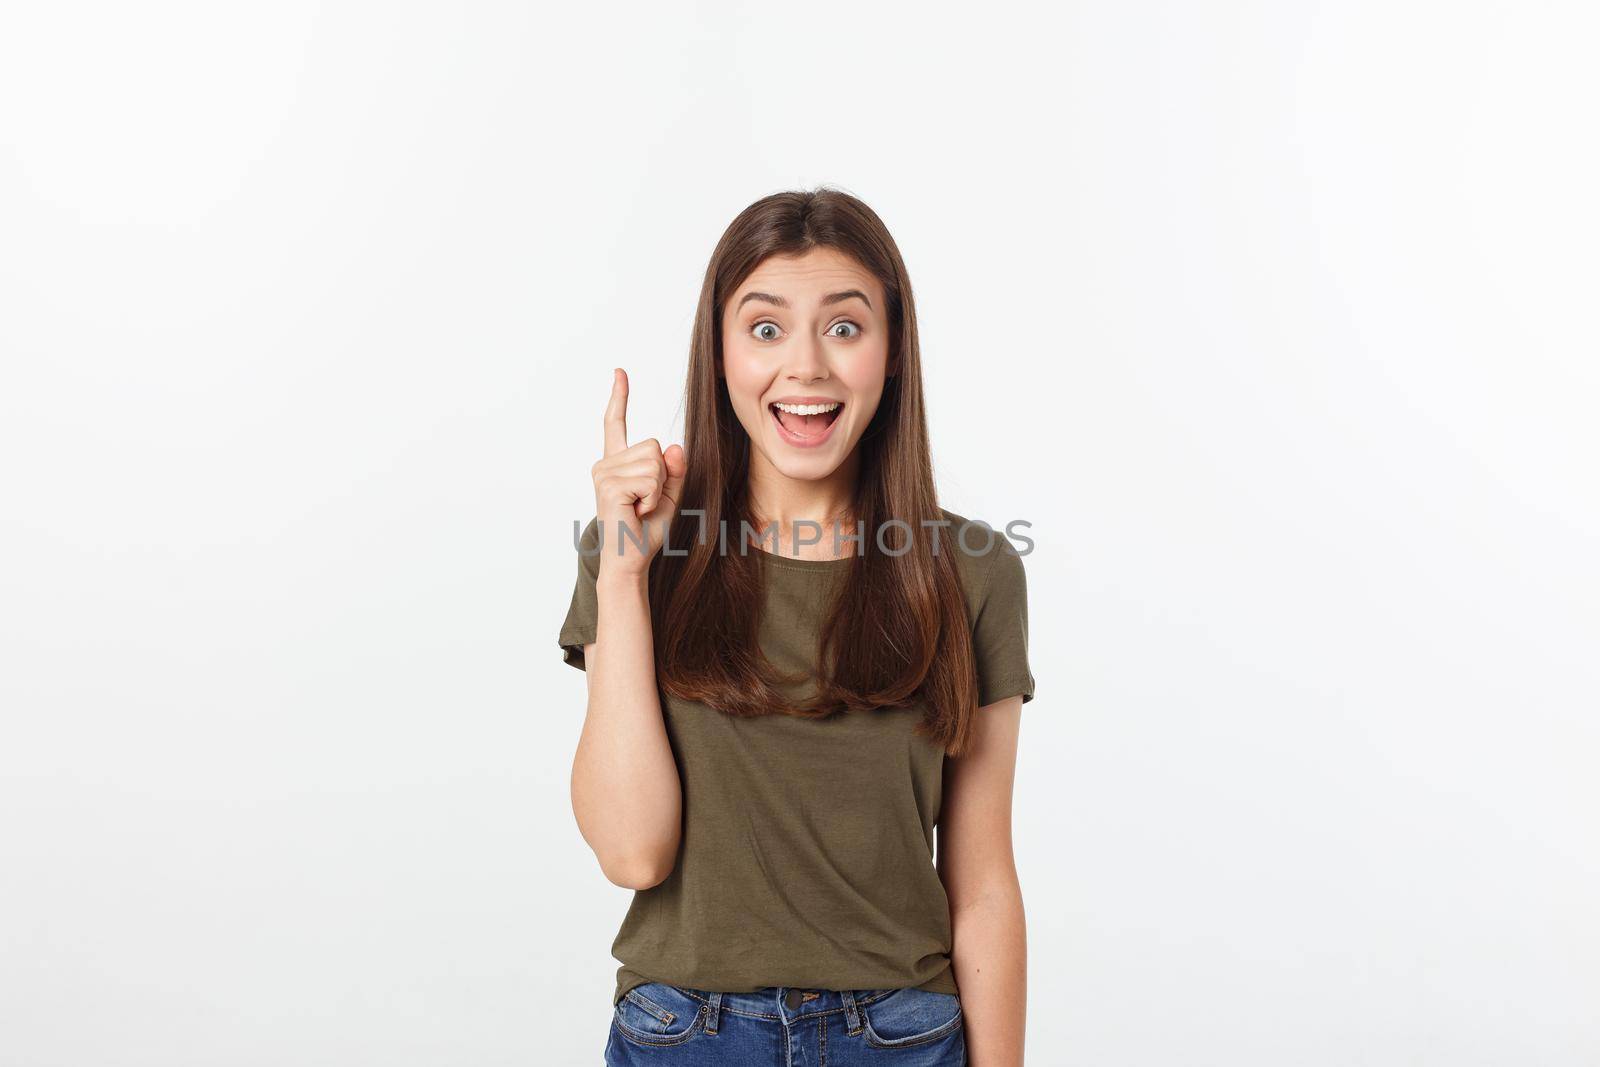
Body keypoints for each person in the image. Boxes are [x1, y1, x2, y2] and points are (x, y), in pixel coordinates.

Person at [559, 188, 1035, 1066]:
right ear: (721, 352)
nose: (806, 367)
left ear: (892, 353)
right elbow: (632, 850)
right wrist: (625, 577)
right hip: (683, 1035)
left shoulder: (973, 571)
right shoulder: (636, 551)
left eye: (845, 327)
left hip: (901, 1036)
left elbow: (983, 884)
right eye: (766, 328)